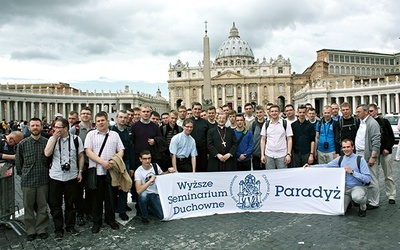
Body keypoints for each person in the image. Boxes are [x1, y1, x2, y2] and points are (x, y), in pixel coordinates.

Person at [304, 139, 371, 217]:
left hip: (357, 187)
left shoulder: (360, 160)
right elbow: (326, 166)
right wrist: (311, 167)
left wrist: (353, 172)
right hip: (344, 189)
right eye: (344, 147)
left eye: (348, 147)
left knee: (357, 197)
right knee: (340, 211)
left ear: (353, 147)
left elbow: (367, 178)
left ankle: (363, 206)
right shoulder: (340, 159)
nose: (346, 149)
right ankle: (348, 202)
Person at [44, 118, 84, 240]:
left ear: (66, 128)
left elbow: (81, 156)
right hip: (55, 176)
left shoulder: (76, 139)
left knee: (70, 204)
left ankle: (70, 226)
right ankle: (58, 229)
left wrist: (80, 171)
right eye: (54, 127)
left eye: (58, 127)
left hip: (71, 176)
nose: (55, 129)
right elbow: (47, 153)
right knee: (55, 205)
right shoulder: (52, 139)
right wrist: (54, 138)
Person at [85, 111, 124, 234]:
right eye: (98, 121)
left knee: (111, 197)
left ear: (107, 121)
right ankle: (97, 222)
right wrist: (102, 162)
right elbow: (88, 152)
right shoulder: (91, 135)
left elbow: (121, 150)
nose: (101, 123)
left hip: (111, 171)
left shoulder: (114, 135)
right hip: (97, 171)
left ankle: (110, 219)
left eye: (103, 120)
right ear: (95, 123)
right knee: (96, 199)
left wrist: (113, 161)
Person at [15, 118, 50, 241]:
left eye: (37, 125)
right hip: (28, 180)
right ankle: (30, 230)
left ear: (41, 127)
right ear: (29, 128)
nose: (35, 127)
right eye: (33, 125)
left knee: (42, 206)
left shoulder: (47, 142)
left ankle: (42, 229)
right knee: (28, 206)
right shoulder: (22, 144)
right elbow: (18, 162)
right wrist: (23, 174)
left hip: (43, 180)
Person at [130, 104, 162, 212]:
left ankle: (151, 205)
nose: (146, 113)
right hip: (138, 158)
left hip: (150, 159)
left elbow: (160, 139)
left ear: (150, 113)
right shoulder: (135, 126)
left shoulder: (155, 126)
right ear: (140, 112)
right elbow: (132, 143)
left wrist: (155, 140)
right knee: (138, 183)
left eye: (148, 111)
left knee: (151, 181)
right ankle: (140, 207)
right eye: (144, 111)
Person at [70, 106, 95, 226]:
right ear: (80, 116)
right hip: (79, 165)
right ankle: (80, 213)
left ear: (91, 116)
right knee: (78, 191)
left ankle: (88, 211)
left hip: (91, 164)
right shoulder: (74, 129)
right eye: (83, 113)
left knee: (91, 189)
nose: (85, 115)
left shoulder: (94, 129)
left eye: (88, 113)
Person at [135, 150, 175, 223]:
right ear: (140, 159)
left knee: (163, 216)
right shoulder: (138, 171)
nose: (147, 161)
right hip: (146, 194)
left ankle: (150, 208)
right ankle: (144, 216)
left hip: (155, 194)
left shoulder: (155, 166)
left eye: (149, 158)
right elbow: (138, 190)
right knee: (143, 196)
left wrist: (168, 171)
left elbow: (161, 174)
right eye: (145, 159)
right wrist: (150, 181)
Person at [368, 104, 396, 204]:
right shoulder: (367, 123)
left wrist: (387, 148)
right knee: (374, 175)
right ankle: (375, 197)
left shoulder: (384, 121)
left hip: (385, 152)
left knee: (388, 174)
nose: (369, 113)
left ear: (376, 111)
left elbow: (391, 136)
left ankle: (391, 194)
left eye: (371, 111)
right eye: (368, 111)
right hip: (374, 153)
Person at [354, 104, 381, 210]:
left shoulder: (372, 123)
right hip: (360, 153)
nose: (357, 114)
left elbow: (376, 141)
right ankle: (368, 198)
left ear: (366, 112)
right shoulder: (362, 122)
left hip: (368, 154)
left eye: (359, 112)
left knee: (372, 178)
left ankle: (374, 202)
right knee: (364, 178)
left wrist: (373, 157)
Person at [111, 110, 135, 221]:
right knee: (113, 186)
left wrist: (131, 166)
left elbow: (131, 149)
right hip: (113, 161)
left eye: (125, 117)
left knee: (124, 185)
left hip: (125, 161)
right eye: (121, 117)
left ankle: (122, 209)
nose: (123, 119)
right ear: (117, 118)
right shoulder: (111, 131)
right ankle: (114, 207)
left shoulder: (128, 132)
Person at [260, 105, 293, 169]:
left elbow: (289, 139)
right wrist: (262, 154)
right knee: (270, 176)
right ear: (269, 113)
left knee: (282, 175)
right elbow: (263, 140)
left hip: (282, 155)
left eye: (276, 111)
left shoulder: (285, 123)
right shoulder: (266, 124)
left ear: (279, 112)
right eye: (272, 111)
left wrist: (289, 154)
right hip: (269, 154)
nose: (274, 113)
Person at [190, 102, 210, 172]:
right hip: (190, 152)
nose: (197, 111)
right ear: (192, 110)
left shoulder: (205, 122)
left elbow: (208, 138)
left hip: (202, 152)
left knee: (202, 170)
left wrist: (208, 152)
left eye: (199, 109)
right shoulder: (188, 122)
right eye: (195, 109)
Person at [250, 105, 267, 170]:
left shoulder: (268, 123)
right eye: (257, 113)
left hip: (267, 152)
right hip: (255, 153)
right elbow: (250, 139)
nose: (259, 114)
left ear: (263, 113)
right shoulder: (253, 125)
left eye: (260, 112)